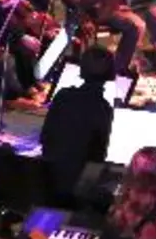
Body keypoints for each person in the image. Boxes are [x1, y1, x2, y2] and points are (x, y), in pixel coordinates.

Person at [39, 45, 117, 206]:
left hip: (49, 179)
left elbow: (45, 136)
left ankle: (40, 230)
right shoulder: (104, 109)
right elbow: (99, 155)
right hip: (77, 189)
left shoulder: (62, 96)